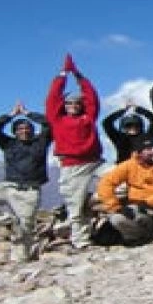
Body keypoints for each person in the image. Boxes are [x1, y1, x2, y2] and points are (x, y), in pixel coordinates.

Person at [0, 101, 52, 262]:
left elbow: (49, 123)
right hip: (8, 186)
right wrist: (11, 115)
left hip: (30, 191)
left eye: (27, 128)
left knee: (26, 229)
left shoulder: (41, 142)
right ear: (14, 132)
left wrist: (28, 114)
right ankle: (9, 222)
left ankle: (21, 259)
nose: (24, 131)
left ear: (33, 131)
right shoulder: (8, 144)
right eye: (20, 129)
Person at [46, 54, 105, 249]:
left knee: (121, 180)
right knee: (76, 206)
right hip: (72, 166)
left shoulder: (88, 117)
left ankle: (100, 201)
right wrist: (63, 74)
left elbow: (92, 97)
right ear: (64, 106)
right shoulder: (57, 119)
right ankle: (81, 241)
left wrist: (79, 76)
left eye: (77, 104)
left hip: (96, 162)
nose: (73, 106)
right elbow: (53, 97)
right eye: (69, 104)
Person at [95, 139, 153, 242]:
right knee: (117, 219)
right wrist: (115, 207)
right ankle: (141, 236)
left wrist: (148, 202)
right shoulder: (129, 165)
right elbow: (105, 183)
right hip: (139, 209)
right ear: (139, 152)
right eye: (148, 149)